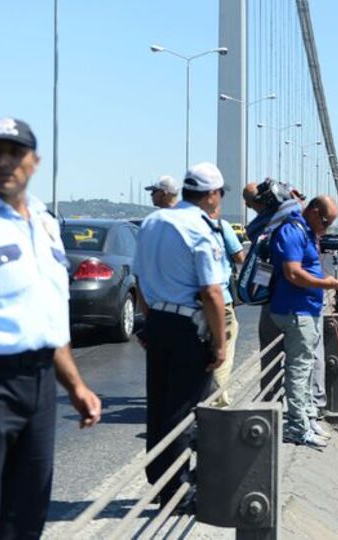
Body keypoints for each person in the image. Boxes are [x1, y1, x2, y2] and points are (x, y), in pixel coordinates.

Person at [0, 117, 102, 538]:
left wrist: (76, 386)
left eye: (15, 152)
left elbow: (47, 316)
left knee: (27, 513)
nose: (4, 161)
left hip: (40, 383)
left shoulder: (44, 224)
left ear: (35, 161)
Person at [133, 162, 228, 508]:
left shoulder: (153, 221)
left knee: (157, 405)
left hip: (158, 321)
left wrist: (147, 321)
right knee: (183, 410)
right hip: (189, 327)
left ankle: (160, 483)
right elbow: (212, 293)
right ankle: (176, 491)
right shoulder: (200, 228)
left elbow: (140, 278)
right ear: (212, 195)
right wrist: (220, 343)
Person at [270, 195, 338, 447]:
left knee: (309, 367)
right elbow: (292, 273)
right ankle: (297, 428)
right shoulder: (292, 231)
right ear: (312, 211)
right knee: (299, 371)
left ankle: (308, 419)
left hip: (307, 310)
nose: (326, 228)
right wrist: (327, 284)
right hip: (295, 311)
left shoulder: (306, 231)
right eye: (325, 222)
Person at [242, 179, 304, 401]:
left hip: (273, 298)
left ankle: (270, 403)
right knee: (300, 358)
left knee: (270, 353)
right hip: (296, 300)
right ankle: (299, 410)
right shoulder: (293, 214)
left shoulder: (258, 228)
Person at [209, 206, 246, 407]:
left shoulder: (180, 228)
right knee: (223, 347)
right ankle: (218, 401)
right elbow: (240, 258)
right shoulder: (221, 227)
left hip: (186, 301)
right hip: (219, 298)